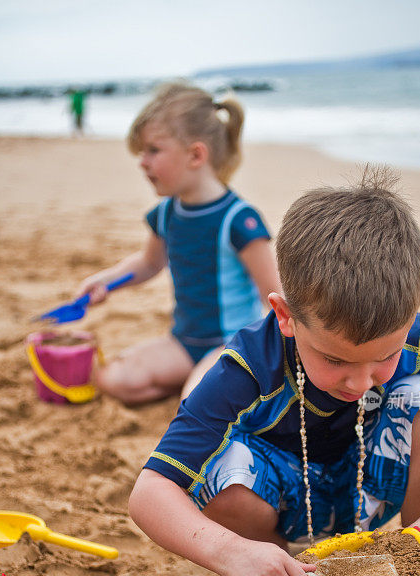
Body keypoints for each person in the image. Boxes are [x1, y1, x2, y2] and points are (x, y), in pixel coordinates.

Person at [129, 168, 420, 576]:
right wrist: (230, 553)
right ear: (285, 316)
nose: (358, 382)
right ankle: (277, 572)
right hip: (277, 499)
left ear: (411, 315)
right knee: (219, 468)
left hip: (368, 483)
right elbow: (150, 491)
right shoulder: (249, 366)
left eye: (383, 358)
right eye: (335, 360)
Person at [77, 82, 279, 404]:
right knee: (114, 379)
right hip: (184, 343)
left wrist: (271, 356)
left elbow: (273, 296)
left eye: (153, 150)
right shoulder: (167, 213)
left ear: (196, 154)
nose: (142, 162)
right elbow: (148, 263)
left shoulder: (238, 220)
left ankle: (210, 383)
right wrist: (105, 281)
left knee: (197, 401)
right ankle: (198, 378)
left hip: (233, 343)